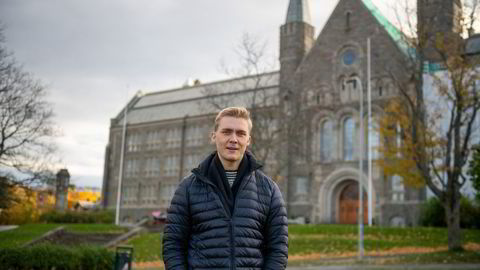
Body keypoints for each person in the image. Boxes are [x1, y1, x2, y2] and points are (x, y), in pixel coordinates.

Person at [162, 107, 288, 270]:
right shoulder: (188, 188)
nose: (234, 139)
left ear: (248, 140)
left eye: (241, 133)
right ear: (214, 136)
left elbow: (278, 249)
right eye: (227, 132)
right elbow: (173, 246)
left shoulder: (269, 190)